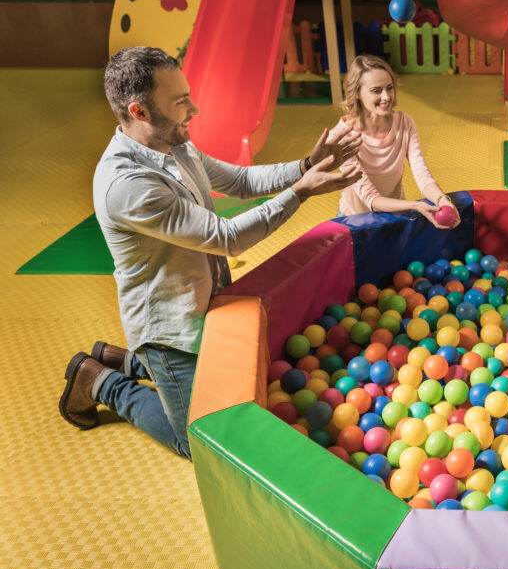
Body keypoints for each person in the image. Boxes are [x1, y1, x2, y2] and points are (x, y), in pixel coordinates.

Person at [58, 46, 363, 459]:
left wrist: (308, 164)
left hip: (207, 303)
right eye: (180, 101)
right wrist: (301, 192)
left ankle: (123, 360)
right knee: (197, 442)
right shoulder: (127, 185)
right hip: (171, 331)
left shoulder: (174, 143)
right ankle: (99, 380)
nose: (194, 108)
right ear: (140, 111)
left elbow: (238, 180)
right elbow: (227, 237)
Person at [329, 55, 458, 228]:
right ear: (357, 93)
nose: (386, 97)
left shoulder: (405, 123)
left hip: (394, 217)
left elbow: (422, 174)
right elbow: (371, 198)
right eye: (376, 90)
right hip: (355, 221)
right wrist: (416, 205)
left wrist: (442, 200)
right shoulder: (343, 136)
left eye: (389, 88)